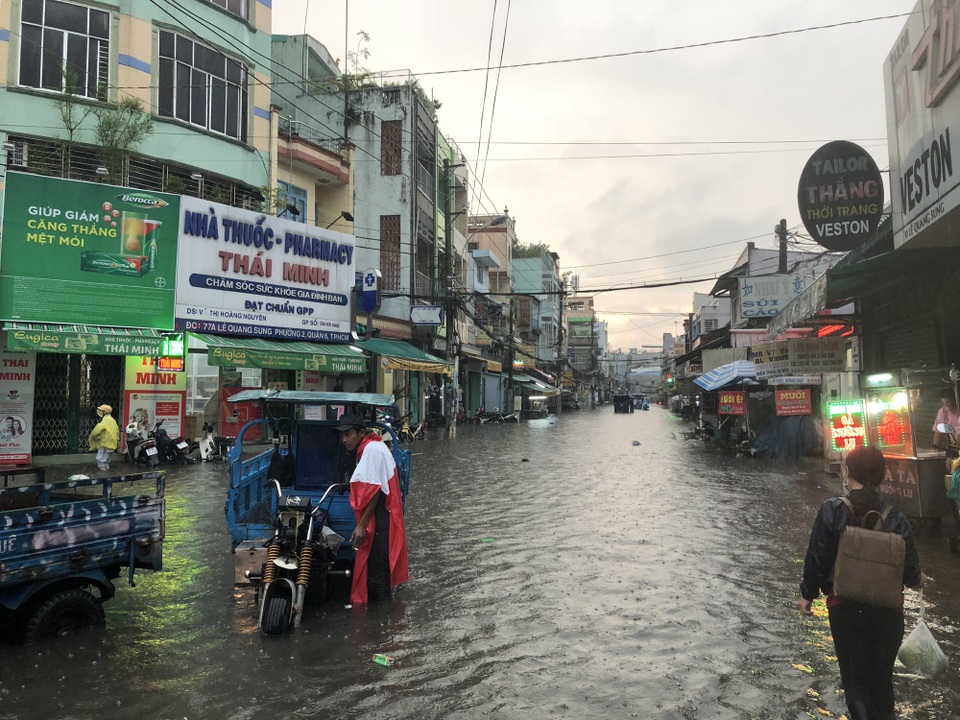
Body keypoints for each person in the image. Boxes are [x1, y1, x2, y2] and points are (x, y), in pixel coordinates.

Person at [799, 445, 925, 720]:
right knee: (882, 681)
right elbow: (911, 569)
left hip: (845, 610)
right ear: (881, 476)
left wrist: (807, 594)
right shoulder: (896, 516)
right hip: (888, 612)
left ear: (848, 472)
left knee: (855, 683)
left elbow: (818, 556)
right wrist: (917, 579)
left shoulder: (832, 510)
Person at [337, 412, 408, 604]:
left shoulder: (372, 450)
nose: (344, 440)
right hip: (383, 514)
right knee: (378, 569)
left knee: (377, 573)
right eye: (342, 435)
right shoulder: (372, 447)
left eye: (348, 434)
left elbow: (375, 490)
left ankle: (382, 619)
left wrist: (361, 525)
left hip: (382, 516)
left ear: (361, 433)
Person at [88, 404, 120, 471]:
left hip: (104, 442)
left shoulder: (105, 421)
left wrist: (93, 437)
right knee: (107, 455)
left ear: (104, 412)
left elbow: (96, 431)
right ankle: (106, 466)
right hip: (112, 443)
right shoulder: (113, 421)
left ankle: (102, 468)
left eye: (101, 411)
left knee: (101, 456)